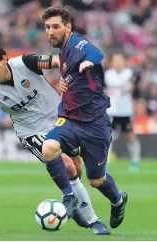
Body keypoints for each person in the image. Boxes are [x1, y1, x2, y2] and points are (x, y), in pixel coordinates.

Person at [0, 42, 110, 235]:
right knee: (68, 166)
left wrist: (77, 67)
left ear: (4, 59)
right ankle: (93, 221)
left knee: (77, 169)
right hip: (32, 132)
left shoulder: (26, 63)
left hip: (61, 119)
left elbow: (57, 61)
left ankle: (74, 207)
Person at [41, 6, 128, 229]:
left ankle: (118, 201)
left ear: (68, 27)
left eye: (56, 27)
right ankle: (69, 196)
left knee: (96, 180)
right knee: (49, 147)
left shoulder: (77, 44)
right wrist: (64, 84)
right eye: (47, 27)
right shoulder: (62, 50)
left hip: (94, 124)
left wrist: (89, 62)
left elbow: (96, 54)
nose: (50, 31)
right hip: (69, 119)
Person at [105, 53, 141, 172]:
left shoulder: (130, 73)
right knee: (107, 137)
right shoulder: (107, 74)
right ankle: (105, 162)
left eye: (120, 60)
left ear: (125, 61)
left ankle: (135, 162)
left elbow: (130, 87)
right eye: (115, 60)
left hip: (125, 111)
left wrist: (122, 90)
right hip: (111, 111)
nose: (117, 63)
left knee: (130, 136)